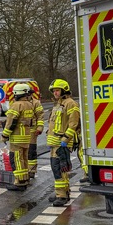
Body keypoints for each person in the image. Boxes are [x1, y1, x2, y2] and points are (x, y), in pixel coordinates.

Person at [46, 78, 80, 206]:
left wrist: (66, 139)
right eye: (54, 91)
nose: (55, 93)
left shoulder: (70, 104)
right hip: (55, 142)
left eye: (57, 90)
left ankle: (62, 196)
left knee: (59, 169)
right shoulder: (58, 104)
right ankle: (62, 192)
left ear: (64, 90)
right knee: (59, 168)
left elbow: (73, 124)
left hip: (61, 143)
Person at [1, 83, 37, 188]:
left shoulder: (16, 105)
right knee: (24, 159)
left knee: (16, 159)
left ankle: (19, 182)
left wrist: (5, 135)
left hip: (17, 137)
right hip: (26, 136)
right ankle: (25, 178)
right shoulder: (29, 105)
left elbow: (11, 122)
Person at [27, 80, 45, 178]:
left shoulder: (36, 103)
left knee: (31, 151)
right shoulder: (19, 103)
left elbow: (40, 116)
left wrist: (39, 127)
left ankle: (31, 170)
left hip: (32, 131)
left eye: (30, 94)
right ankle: (24, 170)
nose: (28, 96)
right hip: (21, 132)